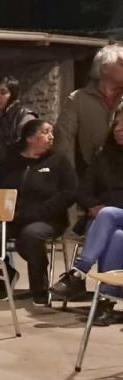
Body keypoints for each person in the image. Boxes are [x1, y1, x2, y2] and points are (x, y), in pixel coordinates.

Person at [0, 119, 78, 305]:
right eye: (45, 132)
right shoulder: (9, 163)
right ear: (30, 138)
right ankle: (5, 276)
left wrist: (40, 211)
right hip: (13, 218)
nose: (51, 136)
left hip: (47, 219)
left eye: (52, 132)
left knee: (31, 235)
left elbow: (70, 192)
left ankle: (39, 287)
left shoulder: (59, 161)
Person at [50, 113, 123, 326]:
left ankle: (78, 272)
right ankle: (105, 302)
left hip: (110, 215)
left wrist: (106, 209)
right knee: (117, 236)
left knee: (108, 214)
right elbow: (83, 190)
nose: (119, 129)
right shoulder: (104, 156)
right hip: (105, 222)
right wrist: (92, 205)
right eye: (117, 124)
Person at [54, 44, 123, 179]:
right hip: (96, 175)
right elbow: (62, 139)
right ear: (105, 68)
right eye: (122, 64)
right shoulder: (78, 99)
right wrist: (65, 176)